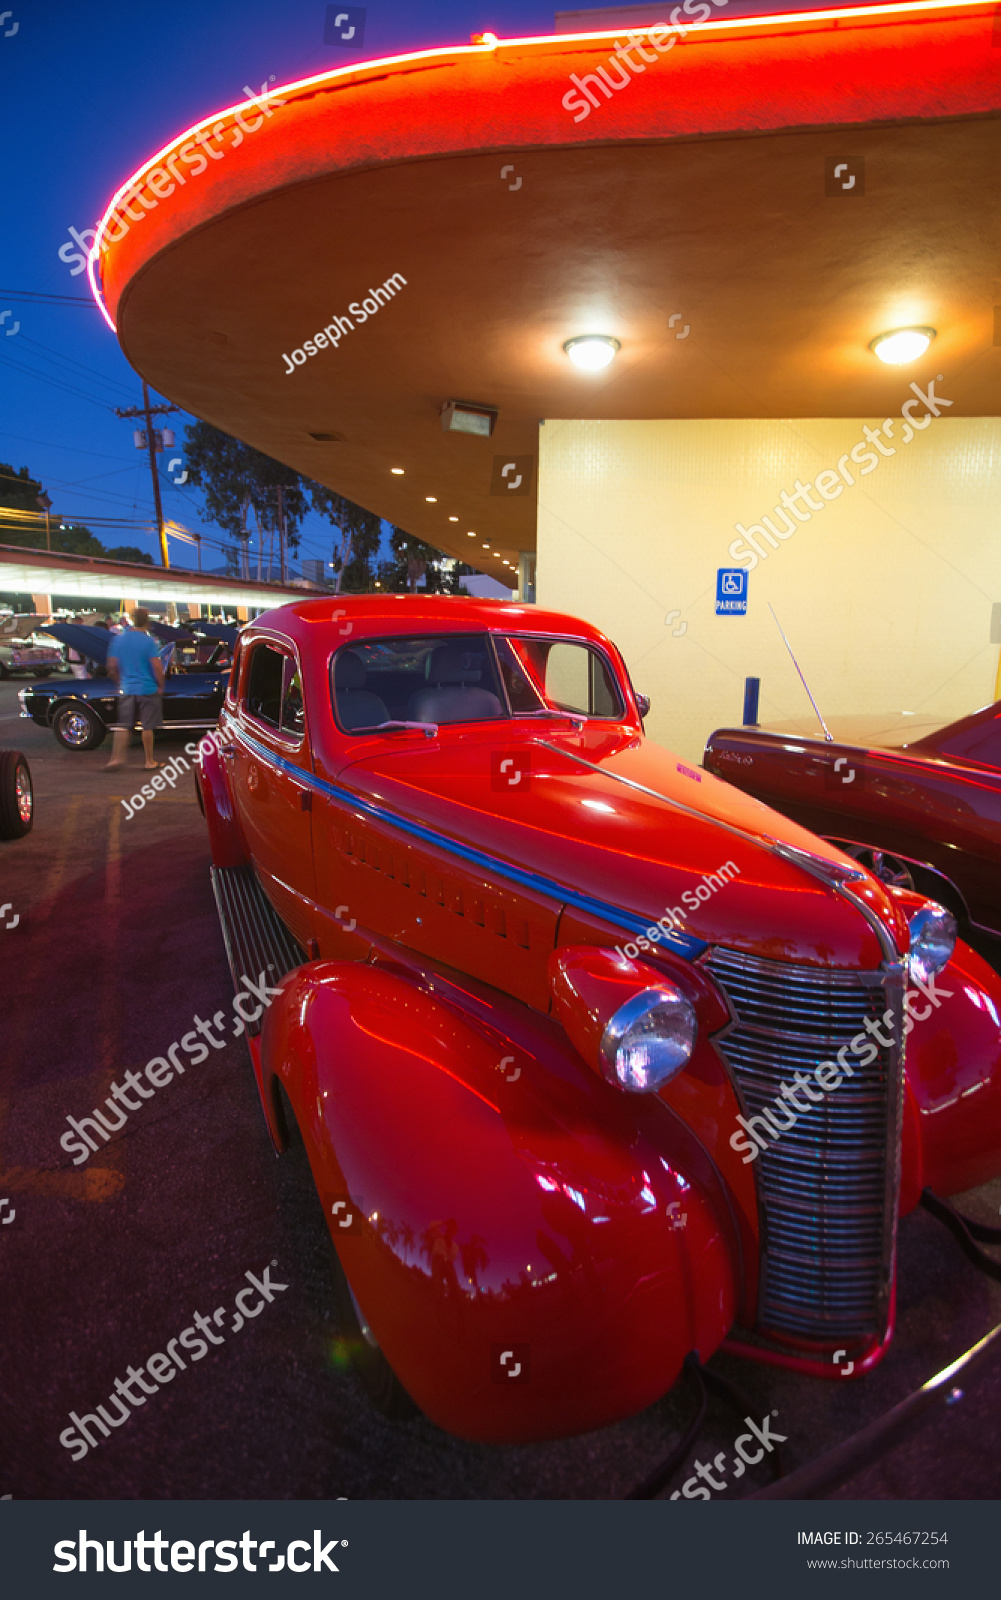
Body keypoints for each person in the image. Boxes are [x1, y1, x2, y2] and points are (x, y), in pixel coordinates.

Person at [105, 608, 164, 770]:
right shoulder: (148, 642)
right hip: (147, 688)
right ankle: (149, 761)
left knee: (123, 724)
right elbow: (157, 667)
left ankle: (116, 759)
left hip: (127, 688)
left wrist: (119, 682)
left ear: (131, 620)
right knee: (147, 726)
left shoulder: (118, 640)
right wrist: (161, 685)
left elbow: (111, 666)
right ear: (147, 622)